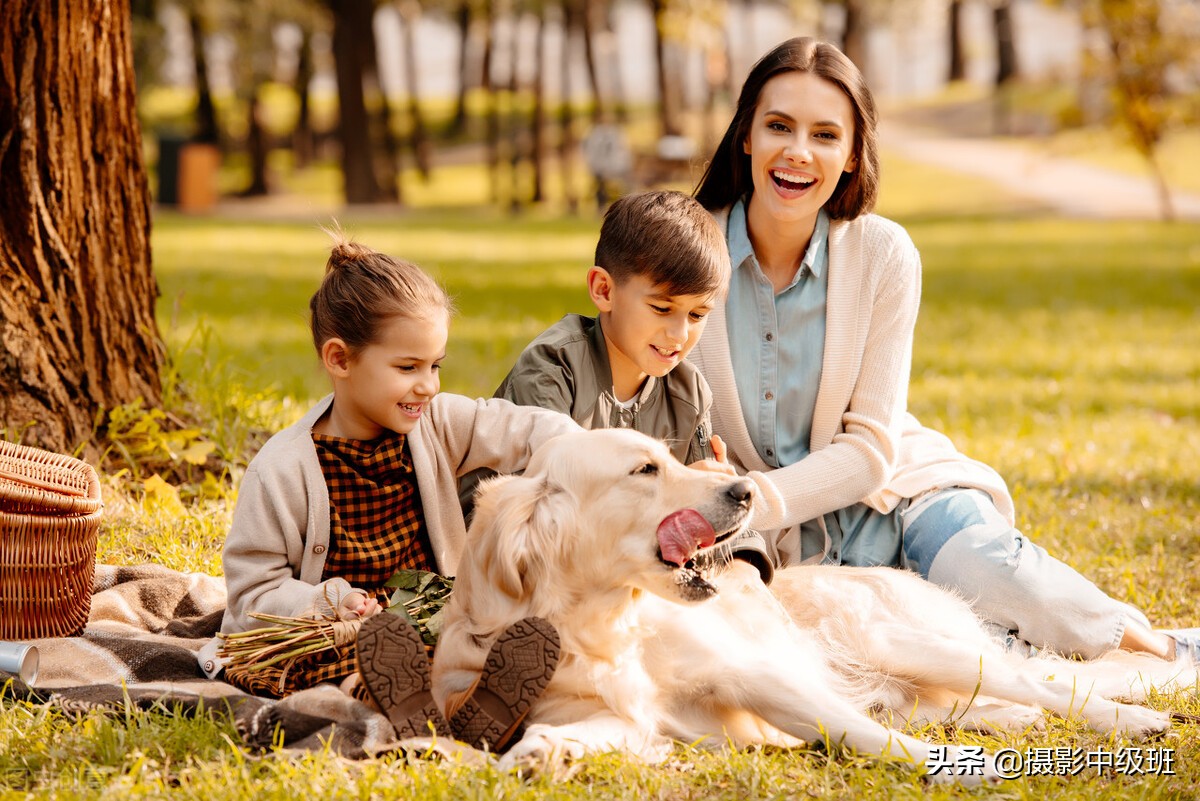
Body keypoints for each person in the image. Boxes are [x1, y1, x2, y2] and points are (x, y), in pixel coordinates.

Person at [690, 36, 1198, 662]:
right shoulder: (688, 251)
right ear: (745, 136)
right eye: (778, 126)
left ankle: (1172, 655)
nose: (798, 152)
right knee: (960, 662)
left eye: (825, 135)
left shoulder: (882, 254)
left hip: (898, 501)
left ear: (852, 155)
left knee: (1008, 587)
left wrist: (751, 503)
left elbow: (872, 451)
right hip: (771, 545)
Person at [197, 233, 579, 750]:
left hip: (430, 621)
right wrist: (328, 600)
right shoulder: (282, 471)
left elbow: (521, 428)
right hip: (337, 641)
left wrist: (585, 450)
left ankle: (466, 705)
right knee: (355, 665)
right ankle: (429, 708)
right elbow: (250, 596)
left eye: (435, 365)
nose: (429, 385)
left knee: (491, 633)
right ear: (340, 359)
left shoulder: (438, 424)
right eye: (408, 367)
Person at [473, 190, 780, 582]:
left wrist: (708, 500)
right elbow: (545, 513)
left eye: (698, 314)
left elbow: (704, 512)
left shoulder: (687, 390)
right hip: (516, 567)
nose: (679, 333)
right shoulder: (554, 369)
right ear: (604, 290)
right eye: (662, 308)